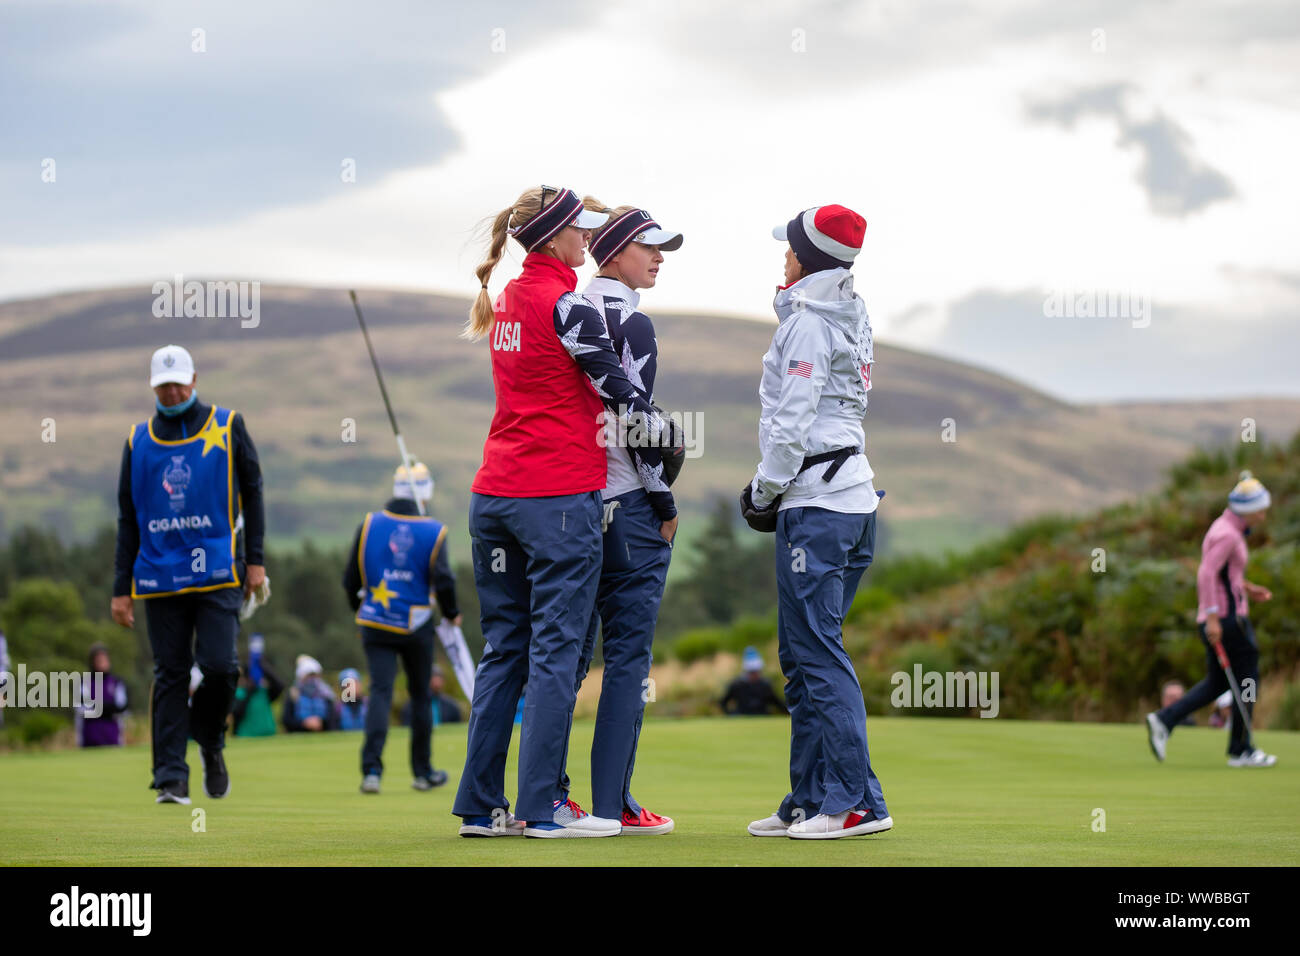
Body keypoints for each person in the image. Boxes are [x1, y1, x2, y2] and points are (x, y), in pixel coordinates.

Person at [452, 185, 680, 839]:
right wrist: (671, 450)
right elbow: (623, 397)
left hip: (493, 495)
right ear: (555, 239)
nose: (586, 239)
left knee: (504, 652)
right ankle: (541, 808)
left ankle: (480, 807)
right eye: (579, 231)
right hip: (555, 499)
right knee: (556, 653)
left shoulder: (508, 303)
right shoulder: (568, 305)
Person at [740, 205, 893, 840]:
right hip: (850, 498)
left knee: (817, 654)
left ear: (808, 257)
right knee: (803, 656)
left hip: (816, 501)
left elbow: (791, 423)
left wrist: (762, 491)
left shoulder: (805, 324)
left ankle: (855, 805)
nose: (784, 258)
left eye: (790, 249)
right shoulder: (850, 313)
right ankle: (808, 798)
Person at [565, 201, 684, 835]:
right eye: (648, 247)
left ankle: (553, 797)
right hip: (630, 509)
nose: (659, 257)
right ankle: (614, 804)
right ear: (612, 252)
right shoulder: (634, 325)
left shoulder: (570, 311)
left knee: (569, 658)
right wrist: (662, 498)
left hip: (573, 505)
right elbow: (630, 422)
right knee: (628, 663)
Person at [111, 344, 266, 805]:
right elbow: (127, 517)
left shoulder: (228, 424)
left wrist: (255, 560)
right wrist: (121, 589)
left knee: (221, 667)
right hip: (161, 574)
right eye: (163, 385)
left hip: (219, 569)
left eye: (178, 382)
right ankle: (171, 777)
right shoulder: (138, 441)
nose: (172, 391)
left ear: (194, 379)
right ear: (153, 388)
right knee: (171, 673)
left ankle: (211, 743)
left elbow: (254, 494)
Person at [342, 462, 461, 793]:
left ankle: (372, 772)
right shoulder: (434, 531)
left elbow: (350, 579)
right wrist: (451, 613)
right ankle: (422, 772)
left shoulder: (368, 524)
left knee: (380, 691)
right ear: (425, 492)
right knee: (420, 695)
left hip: (374, 622)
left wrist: (360, 610)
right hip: (416, 626)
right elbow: (445, 580)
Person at [1147, 471, 1278, 767]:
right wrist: (1213, 619)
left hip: (1224, 616)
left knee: (1217, 683)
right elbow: (1205, 574)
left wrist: (1246, 587)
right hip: (1228, 621)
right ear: (1248, 509)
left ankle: (1164, 719)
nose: (1264, 514)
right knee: (1248, 680)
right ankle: (1241, 750)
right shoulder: (1228, 534)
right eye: (1261, 508)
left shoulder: (1227, 528)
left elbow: (1222, 575)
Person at [230, 634, 285, 737]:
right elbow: (237, 713)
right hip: (245, 736)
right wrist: (249, 691)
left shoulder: (263, 692)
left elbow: (280, 685)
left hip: (268, 735)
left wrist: (263, 666)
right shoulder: (239, 693)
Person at [77, 643, 129, 747]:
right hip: (90, 738)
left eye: (104, 659)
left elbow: (122, 708)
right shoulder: (84, 682)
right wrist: (108, 709)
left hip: (113, 737)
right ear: (92, 662)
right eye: (99, 660)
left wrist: (98, 707)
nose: (102, 663)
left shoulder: (117, 682)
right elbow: (82, 709)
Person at [282, 655, 339, 733]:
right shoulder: (293, 694)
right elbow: (286, 720)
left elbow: (333, 720)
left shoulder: (327, 694)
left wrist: (321, 722)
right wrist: (304, 724)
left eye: (314, 675)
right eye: (308, 676)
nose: (311, 679)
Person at [722, 647, 785, 716]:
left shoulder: (765, 685)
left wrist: (788, 711)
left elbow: (775, 701)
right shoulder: (737, 685)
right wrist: (731, 714)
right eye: (752, 672)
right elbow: (724, 702)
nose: (755, 674)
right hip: (742, 716)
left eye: (756, 671)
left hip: (762, 716)